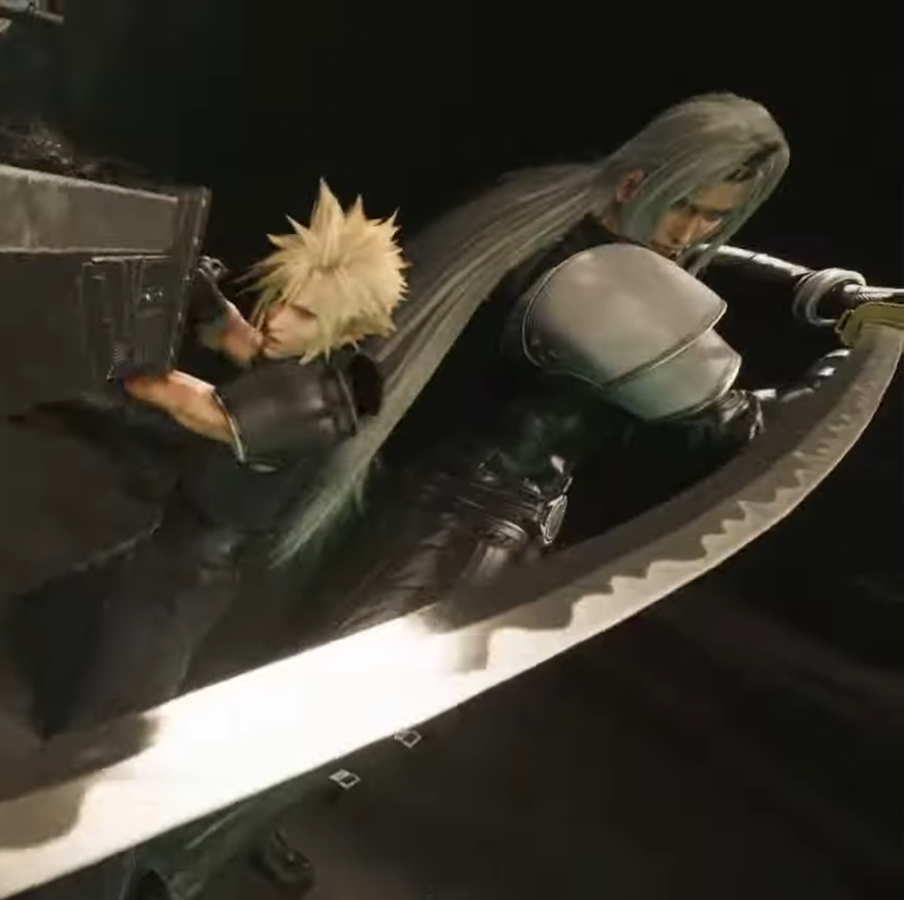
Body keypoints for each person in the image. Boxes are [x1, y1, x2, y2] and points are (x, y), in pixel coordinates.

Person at [142, 92, 866, 900]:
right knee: (342, 719)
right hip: (466, 521)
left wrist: (820, 290)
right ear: (637, 185)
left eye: (716, 216)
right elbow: (740, 430)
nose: (694, 233)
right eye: (687, 207)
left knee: (345, 699)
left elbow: (717, 271)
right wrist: (858, 356)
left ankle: (230, 836)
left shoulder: (558, 214)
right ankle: (169, 873)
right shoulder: (598, 285)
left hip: (453, 500)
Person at [12, 179, 409, 900]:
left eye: (302, 313)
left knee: (108, 763)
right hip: (169, 548)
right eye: (282, 299)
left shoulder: (309, 404)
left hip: (183, 580)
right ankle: (38, 803)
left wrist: (111, 330)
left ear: (347, 330)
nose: (278, 319)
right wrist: (198, 292)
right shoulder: (301, 359)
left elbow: (171, 395)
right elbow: (237, 336)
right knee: (52, 628)